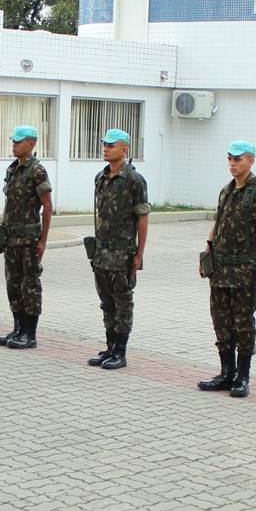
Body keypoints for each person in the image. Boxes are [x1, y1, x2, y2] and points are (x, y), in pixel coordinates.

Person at [197, 140, 256, 397]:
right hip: (220, 269)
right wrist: (207, 251)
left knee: (243, 324)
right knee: (221, 322)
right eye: (230, 159)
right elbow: (218, 223)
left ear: (250, 161)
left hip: (243, 269)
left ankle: (242, 377)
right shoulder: (226, 191)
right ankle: (226, 373)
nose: (232, 164)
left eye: (238, 159)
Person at [87, 128, 149, 370]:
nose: (105, 148)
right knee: (106, 302)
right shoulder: (100, 178)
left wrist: (139, 254)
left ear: (124, 149)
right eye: (104, 144)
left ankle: (120, 352)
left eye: (111, 145)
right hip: (102, 252)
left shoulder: (134, 180)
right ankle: (110, 347)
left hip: (123, 253)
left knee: (123, 303)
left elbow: (142, 218)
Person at [0, 125, 53, 349]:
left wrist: (42, 241)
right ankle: (17, 328)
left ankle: (30, 332)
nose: (14, 144)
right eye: (14, 141)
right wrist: (3, 232)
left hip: (29, 240)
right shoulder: (12, 170)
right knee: (13, 284)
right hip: (12, 240)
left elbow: (47, 207)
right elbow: (8, 204)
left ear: (31, 144)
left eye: (19, 141)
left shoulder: (37, 170)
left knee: (30, 286)